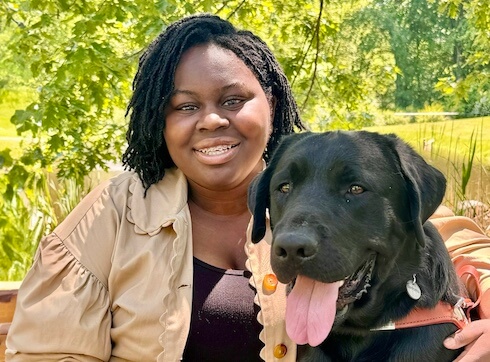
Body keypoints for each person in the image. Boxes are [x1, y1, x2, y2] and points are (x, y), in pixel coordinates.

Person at [5, 13, 490, 361]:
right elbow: (49, 351)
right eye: (185, 106)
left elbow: (446, 236)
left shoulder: (312, 169)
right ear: (160, 121)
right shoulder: (116, 210)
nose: (212, 120)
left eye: (233, 99)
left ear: (271, 104)